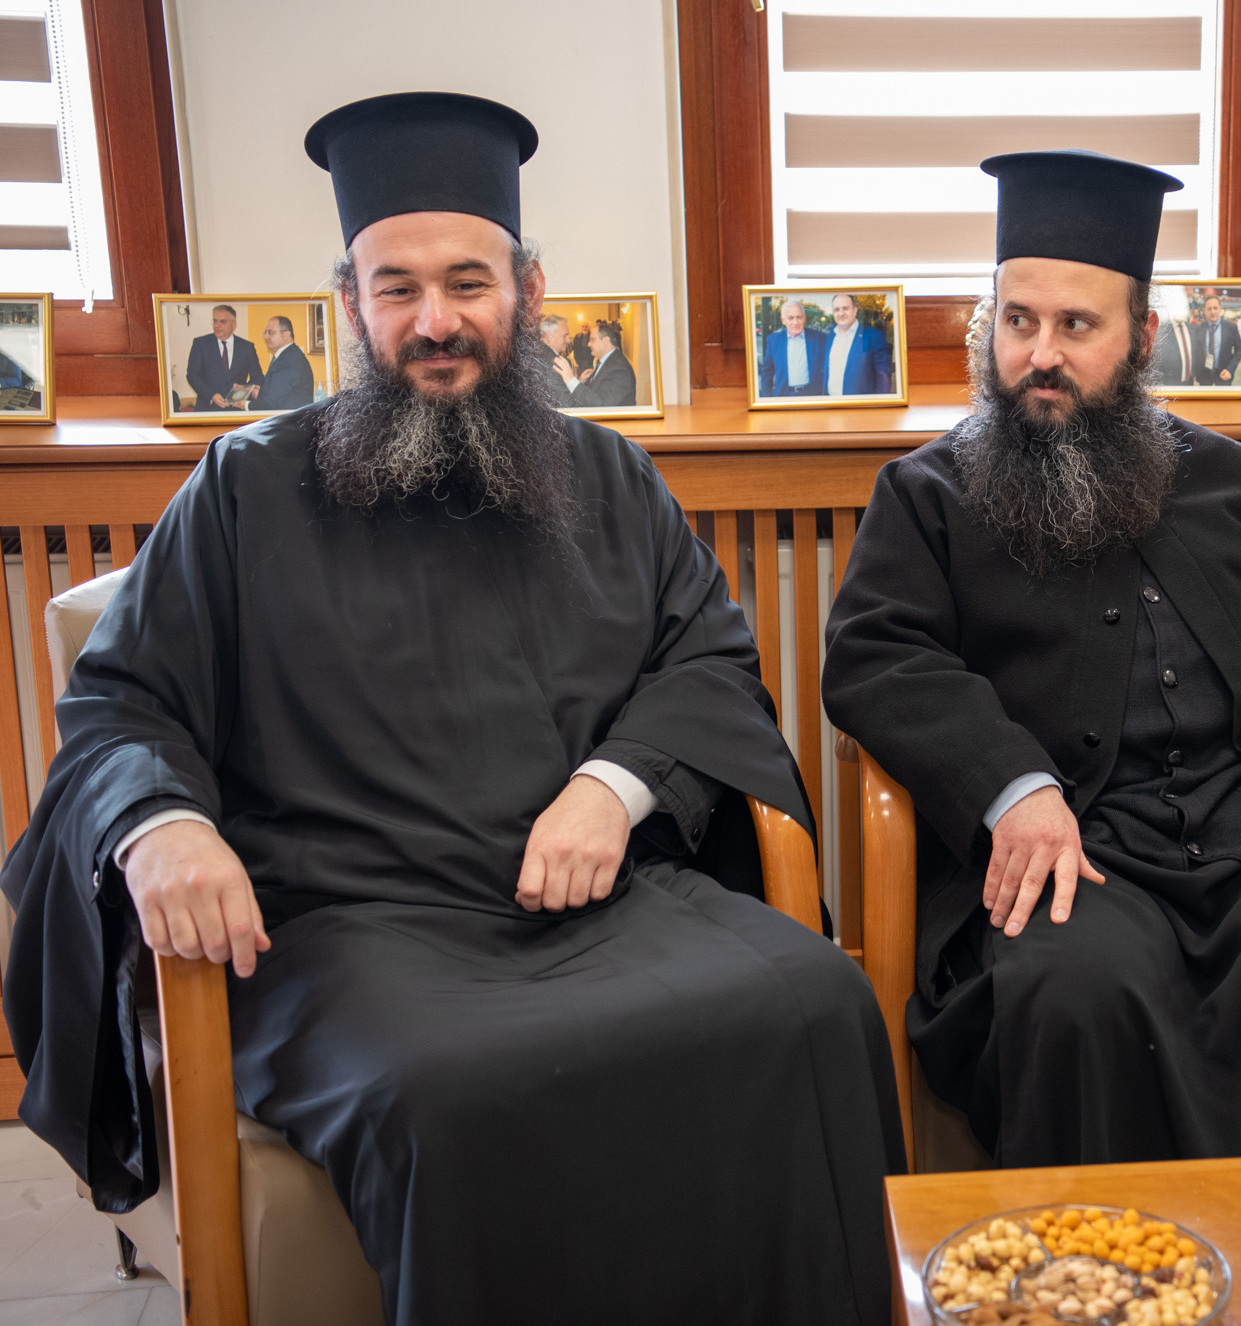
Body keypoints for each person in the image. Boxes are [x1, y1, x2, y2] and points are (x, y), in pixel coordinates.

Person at [0, 92, 902, 1325]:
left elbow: (706, 660)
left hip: (593, 903)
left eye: (468, 283)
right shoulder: (244, 488)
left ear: (528, 291)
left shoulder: (608, 476)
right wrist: (162, 823)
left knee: (819, 1005)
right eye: (398, 288)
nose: (435, 321)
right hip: (345, 929)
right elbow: (120, 702)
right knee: (460, 1087)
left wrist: (613, 787)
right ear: (350, 305)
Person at [823, 149, 1241, 1170]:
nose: (1039, 354)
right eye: (1018, 320)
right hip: (1069, 834)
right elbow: (874, 654)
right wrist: (1012, 787)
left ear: (1142, 337)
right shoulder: (927, 494)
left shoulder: (1240, 483)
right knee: (1081, 990)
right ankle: (1099, 1257)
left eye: (1076, 325)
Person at [184, 304, 262, 410]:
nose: (217, 325)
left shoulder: (247, 347)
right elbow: (192, 375)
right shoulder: (201, 344)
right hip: (207, 409)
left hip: (236, 409)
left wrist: (244, 392)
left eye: (222, 322)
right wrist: (211, 395)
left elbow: (258, 376)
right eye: (215, 321)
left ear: (233, 324)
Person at [823, 293, 895, 398]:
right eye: (836, 310)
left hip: (860, 405)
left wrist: (881, 405)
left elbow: (883, 378)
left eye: (845, 308)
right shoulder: (829, 337)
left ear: (855, 310)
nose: (841, 313)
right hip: (831, 403)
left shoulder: (874, 337)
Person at [760, 297, 829, 399]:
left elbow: (828, 369)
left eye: (799, 317)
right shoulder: (774, 340)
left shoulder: (819, 338)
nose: (795, 322)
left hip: (813, 395)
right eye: (790, 318)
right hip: (784, 396)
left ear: (804, 318)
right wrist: (767, 399)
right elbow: (767, 373)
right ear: (783, 320)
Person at [565, 317, 638, 407]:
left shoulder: (619, 369)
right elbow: (595, 390)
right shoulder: (606, 360)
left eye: (592, 340)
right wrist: (581, 381)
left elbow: (602, 404)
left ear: (605, 340)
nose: (588, 344)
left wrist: (571, 381)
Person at [249, 314, 316, 411]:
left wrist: (247, 405)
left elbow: (273, 403)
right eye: (265, 333)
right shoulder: (288, 355)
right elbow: (280, 392)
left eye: (270, 332)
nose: (266, 337)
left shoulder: (288, 360)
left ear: (286, 334)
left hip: (291, 419)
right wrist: (261, 392)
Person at [1190, 291, 1241, 386]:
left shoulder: (1231, 327)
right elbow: (1195, 352)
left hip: (1224, 372)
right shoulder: (1198, 328)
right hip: (1204, 374)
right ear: (1204, 311)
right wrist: (1194, 372)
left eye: (1215, 308)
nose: (1212, 311)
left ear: (1220, 309)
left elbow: (1239, 350)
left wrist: (1230, 369)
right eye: (1209, 309)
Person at [537, 313, 574, 404]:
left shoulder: (539, 352)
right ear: (549, 336)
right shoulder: (553, 362)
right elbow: (565, 404)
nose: (568, 340)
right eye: (565, 336)